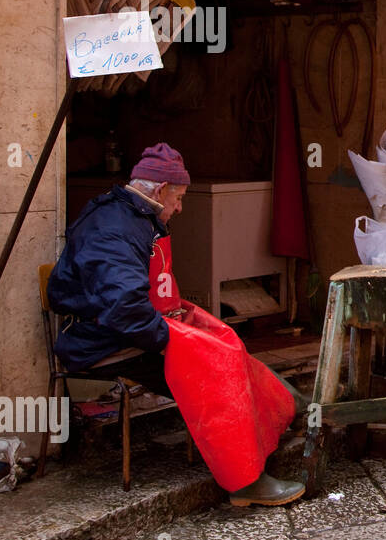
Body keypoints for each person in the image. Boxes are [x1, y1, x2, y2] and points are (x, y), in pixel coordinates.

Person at [47, 143, 304, 506]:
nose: (180, 208)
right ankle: (245, 480)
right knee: (213, 367)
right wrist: (170, 339)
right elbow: (124, 308)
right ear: (160, 190)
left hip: (130, 329)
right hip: (102, 341)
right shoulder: (112, 227)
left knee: (223, 339)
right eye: (179, 198)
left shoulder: (135, 215)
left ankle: (287, 408)